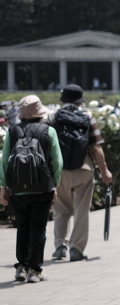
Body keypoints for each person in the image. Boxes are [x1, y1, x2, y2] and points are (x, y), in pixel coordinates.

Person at [0, 95, 63, 283]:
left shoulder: (12, 131)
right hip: (42, 188)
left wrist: (3, 187)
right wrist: (55, 184)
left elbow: (4, 161)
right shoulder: (48, 131)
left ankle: (21, 266)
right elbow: (57, 162)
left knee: (23, 226)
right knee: (39, 228)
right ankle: (35, 270)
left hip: (17, 188)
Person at [48, 84, 114, 262]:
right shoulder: (87, 117)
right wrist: (105, 171)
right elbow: (96, 147)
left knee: (61, 209)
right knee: (81, 210)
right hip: (83, 169)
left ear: (63, 99)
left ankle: (60, 246)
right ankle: (76, 249)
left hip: (60, 170)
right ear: (80, 100)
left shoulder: (53, 117)